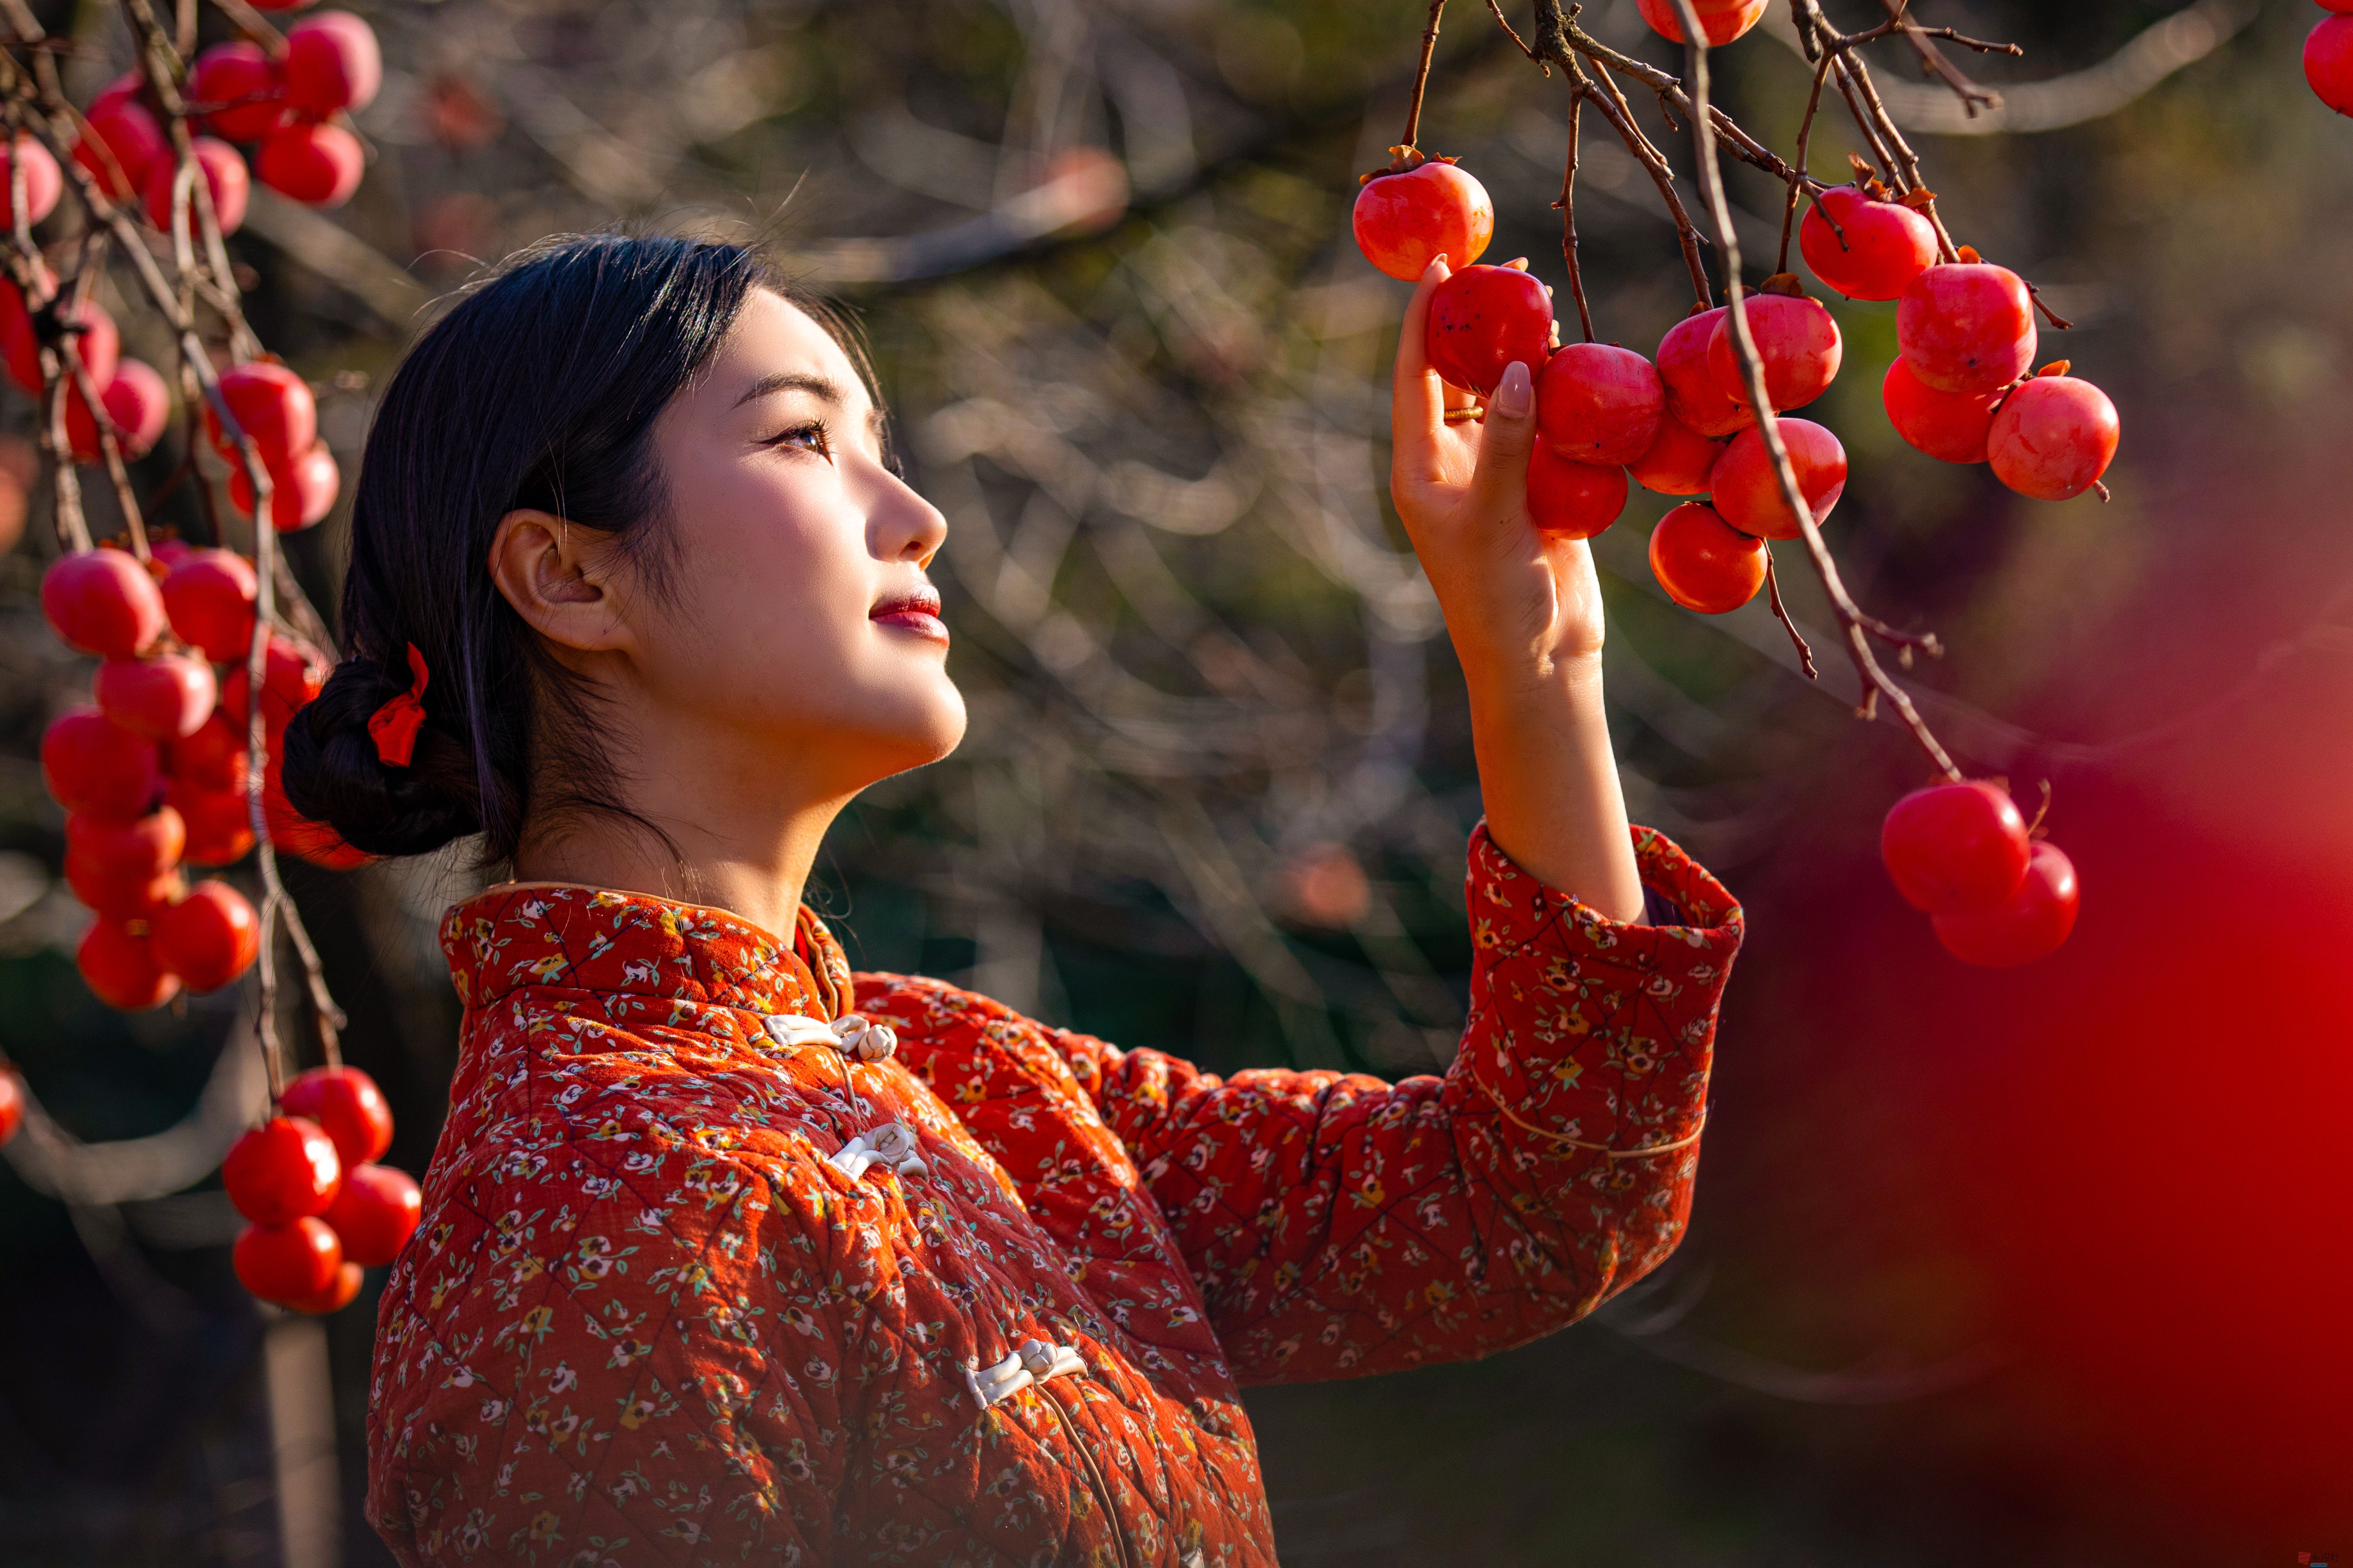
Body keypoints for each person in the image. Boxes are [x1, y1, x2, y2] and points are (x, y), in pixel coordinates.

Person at [282, 232, 1743, 1567]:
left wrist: (1534, 661)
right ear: (571, 577)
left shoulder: (969, 1081)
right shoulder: (584, 1225)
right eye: (802, 439)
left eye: (882, 449)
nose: (916, 517)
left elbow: (1534, 1200)